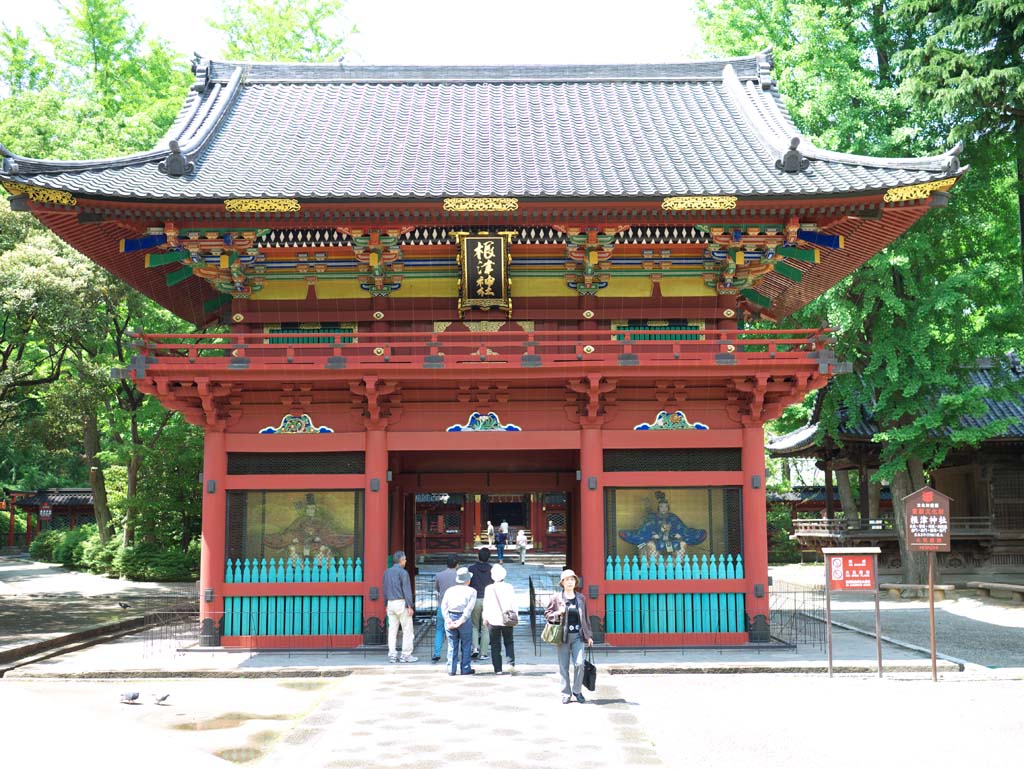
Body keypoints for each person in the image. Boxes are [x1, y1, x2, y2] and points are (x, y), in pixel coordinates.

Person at [544, 568, 593, 703]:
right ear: (562, 582)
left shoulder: (581, 598)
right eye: (567, 580)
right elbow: (547, 614)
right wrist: (557, 613)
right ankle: (566, 693)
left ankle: (577, 691)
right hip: (563, 636)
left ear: (575, 582)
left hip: (578, 635)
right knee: (563, 666)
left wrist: (588, 635)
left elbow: (586, 619)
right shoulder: (556, 598)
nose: (570, 582)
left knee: (579, 664)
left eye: (572, 579)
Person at [382, 550, 417, 663]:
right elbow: (406, 590)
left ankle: (392, 655)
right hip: (401, 603)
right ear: (401, 560)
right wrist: (410, 606)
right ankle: (405, 655)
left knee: (392, 631)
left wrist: (385, 603)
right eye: (405, 559)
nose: (406, 561)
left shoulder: (387, 572)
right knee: (407, 630)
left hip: (390, 603)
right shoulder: (403, 573)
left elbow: (384, 588)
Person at [482, 563, 517, 674]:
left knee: (495, 644)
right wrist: (516, 616)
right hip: (507, 619)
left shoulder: (489, 588)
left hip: (493, 619)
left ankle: (498, 669)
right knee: (509, 642)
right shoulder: (509, 587)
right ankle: (510, 663)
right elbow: (514, 604)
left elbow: (486, 604)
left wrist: (485, 617)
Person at [441, 567, 477, 675]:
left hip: (451, 616)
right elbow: (469, 608)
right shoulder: (472, 591)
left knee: (452, 644)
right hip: (464, 619)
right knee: (466, 644)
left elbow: (443, 606)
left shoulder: (449, 590)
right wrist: (461, 620)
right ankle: (465, 668)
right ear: (468, 580)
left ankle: (451, 669)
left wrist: (447, 619)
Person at [432, 554, 459, 663]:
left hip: (442, 606)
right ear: (457, 564)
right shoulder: (459, 576)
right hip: (456, 608)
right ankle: (453, 654)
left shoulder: (439, 575)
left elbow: (437, 589)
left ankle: (437, 653)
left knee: (439, 630)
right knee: (455, 632)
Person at [467, 547, 493, 659]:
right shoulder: (491, 569)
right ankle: (484, 653)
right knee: (485, 627)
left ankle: (475, 648)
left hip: (475, 599)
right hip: (487, 600)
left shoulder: (471, 569)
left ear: (478, 556)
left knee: (474, 626)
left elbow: (468, 583)